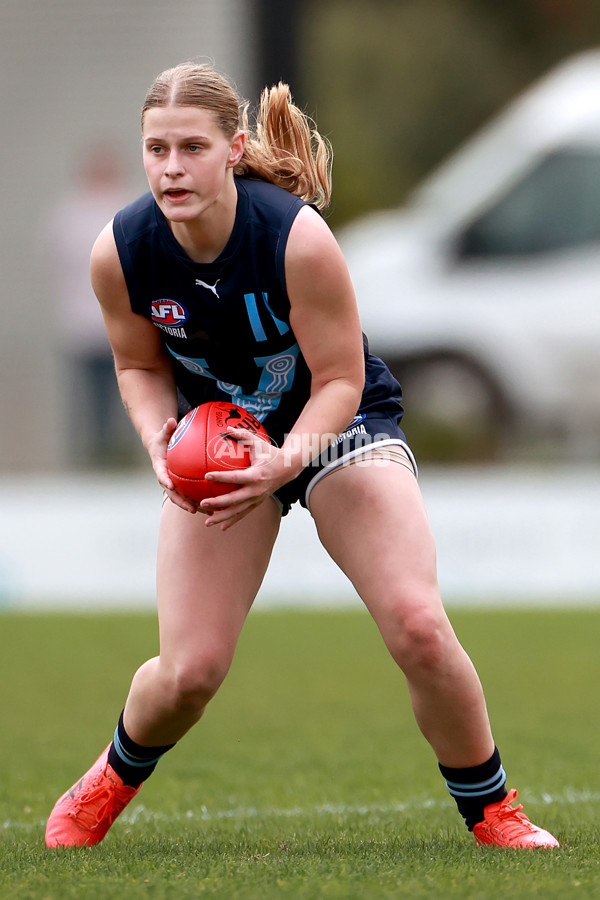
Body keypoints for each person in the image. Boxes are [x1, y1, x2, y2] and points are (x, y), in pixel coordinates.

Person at [45, 62, 558, 850]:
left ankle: (493, 813)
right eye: (156, 149)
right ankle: (104, 782)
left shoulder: (295, 238)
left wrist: (287, 461)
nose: (172, 168)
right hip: (221, 446)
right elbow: (138, 366)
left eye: (191, 147)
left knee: (418, 624)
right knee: (188, 675)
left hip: (336, 429)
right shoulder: (121, 252)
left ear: (233, 149)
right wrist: (158, 440)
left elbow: (342, 379)